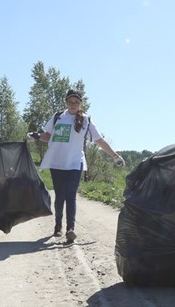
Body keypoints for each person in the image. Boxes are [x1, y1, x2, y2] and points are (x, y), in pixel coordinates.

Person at [27, 89, 125, 242]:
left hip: (75, 162)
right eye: (70, 102)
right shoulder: (58, 117)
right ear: (66, 102)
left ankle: (70, 229)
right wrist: (36, 136)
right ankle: (58, 226)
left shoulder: (86, 120)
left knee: (71, 196)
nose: (73, 105)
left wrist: (114, 155)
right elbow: (48, 136)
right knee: (60, 196)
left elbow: (99, 140)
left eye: (76, 102)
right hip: (57, 162)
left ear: (80, 103)